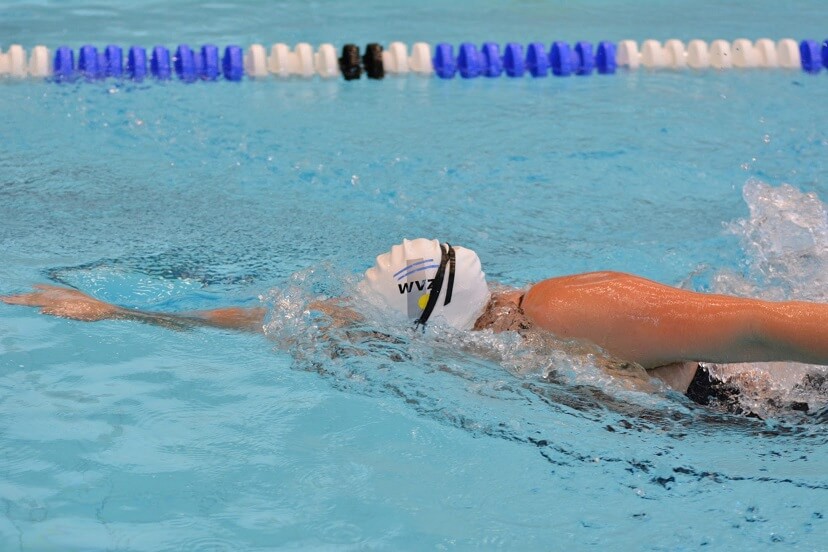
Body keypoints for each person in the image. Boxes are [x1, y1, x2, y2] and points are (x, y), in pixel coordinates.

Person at [4, 238, 828, 406]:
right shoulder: (497, 327)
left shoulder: (569, 309)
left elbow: (763, 327)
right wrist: (118, 312)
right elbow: (277, 320)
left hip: (787, 417)